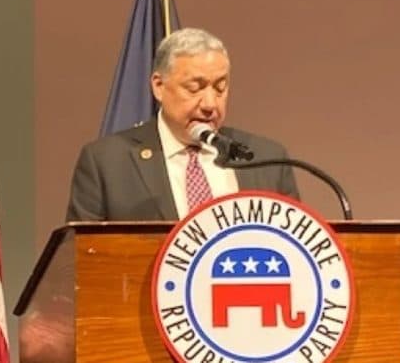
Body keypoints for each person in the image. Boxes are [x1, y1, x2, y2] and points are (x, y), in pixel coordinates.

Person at [67, 27, 299, 222]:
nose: (210, 104)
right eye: (194, 88)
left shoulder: (267, 160)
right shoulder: (106, 162)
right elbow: (81, 261)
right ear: (159, 86)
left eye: (220, 88)